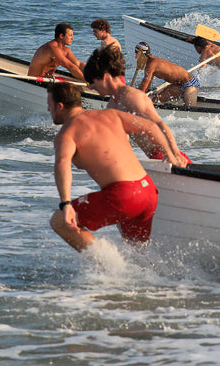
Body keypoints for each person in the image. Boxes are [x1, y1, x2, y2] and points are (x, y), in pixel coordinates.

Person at [46, 82, 184, 252]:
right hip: (148, 191)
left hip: (124, 195)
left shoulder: (67, 134)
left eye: (49, 106)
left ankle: (109, 265)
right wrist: (170, 156)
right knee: (135, 253)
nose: (48, 110)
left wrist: (66, 204)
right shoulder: (110, 115)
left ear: (60, 106)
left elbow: (62, 164)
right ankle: (142, 275)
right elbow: (151, 126)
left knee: (60, 221)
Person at [82, 47, 189, 165]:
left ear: (104, 77)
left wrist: (173, 154)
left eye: (91, 82)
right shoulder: (112, 104)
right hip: (155, 158)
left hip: (167, 156)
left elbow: (159, 124)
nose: (90, 87)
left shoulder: (131, 96)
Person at [132, 42, 200, 106]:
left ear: (141, 55)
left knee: (188, 110)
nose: (135, 57)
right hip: (178, 85)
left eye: (136, 55)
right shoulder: (151, 63)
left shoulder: (151, 65)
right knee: (155, 101)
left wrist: (133, 97)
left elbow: (143, 89)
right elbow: (146, 85)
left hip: (191, 84)